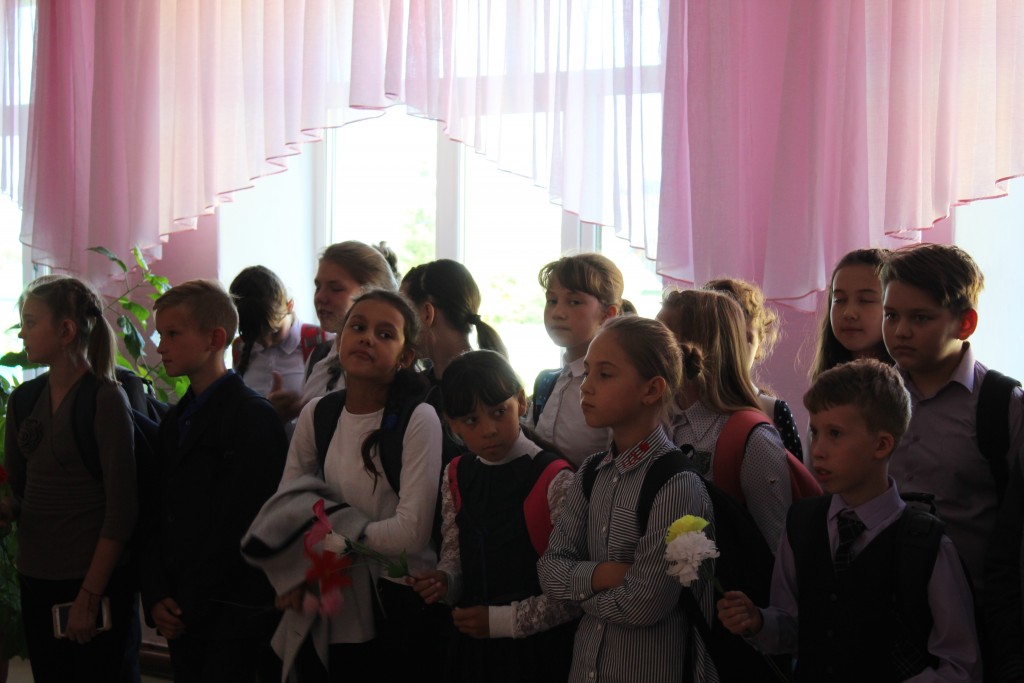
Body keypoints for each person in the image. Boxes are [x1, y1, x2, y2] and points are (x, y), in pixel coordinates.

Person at [717, 359, 982, 682]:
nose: (819, 449)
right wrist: (758, 621)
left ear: (881, 445)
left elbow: (960, 665)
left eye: (836, 434)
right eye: (815, 432)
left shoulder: (926, 545)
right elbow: (793, 627)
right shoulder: (802, 523)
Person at [538, 316, 716, 683]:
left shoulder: (677, 484)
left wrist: (579, 595)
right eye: (587, 372)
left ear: (651, 390)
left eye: (604, 374)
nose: (586, 386)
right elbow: (549, 571)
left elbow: (646, 603)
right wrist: (605, 574)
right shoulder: (591, 472)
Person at [276, 290, 444, 681]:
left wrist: (332, 539)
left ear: (405, 357)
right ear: (340, 340)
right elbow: (287, 506)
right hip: (331, 589)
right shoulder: (318, 413)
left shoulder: (419, 419)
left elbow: (411, 534)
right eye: (358, 327)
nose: (367, 338)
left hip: (397, 597)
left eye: (385, 334)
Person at [141, 280, 287, 682]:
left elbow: (244, 522)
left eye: (173, 334)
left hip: (232, 614)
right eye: (160, 335)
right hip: (178, 607)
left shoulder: (252, 417)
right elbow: (156, 510)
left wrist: (190, 602)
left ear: (215, 339)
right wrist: (157, 594)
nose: (161, 347)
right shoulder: (175, 419)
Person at [407, 350, 578, 682]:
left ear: (521, 401)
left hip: (538, 653)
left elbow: (574, 593)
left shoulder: (555, 479)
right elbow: (455, 556)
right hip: (474, 648)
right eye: (471, 420)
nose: (488, 430)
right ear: (453, 424)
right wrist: (445, 581)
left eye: (499, 412)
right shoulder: (456, 473)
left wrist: (500, 621)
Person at [1, 276, 137, 683]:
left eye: (30, 323)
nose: (21, 333)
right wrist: (7, 508)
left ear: (66, 331)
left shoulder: (105, 398)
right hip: (36, 578)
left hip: (91, 582)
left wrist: (89, 597)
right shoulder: (25, 400)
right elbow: (22, 490)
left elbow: (121, 510)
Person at [658, 288, 792, 549]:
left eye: (661, 336)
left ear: (698, 346)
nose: (648, 346)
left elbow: (775, 545)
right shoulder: (658, 421)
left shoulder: (752, 438)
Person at [268, 240, 399, 422]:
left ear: (370, 293)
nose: (320, 297)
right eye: (318, 287)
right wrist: (287, 415)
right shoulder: (319, 356)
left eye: (335, 288)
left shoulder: (388, 367)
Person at [401, 259, 508, 465]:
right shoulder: (420, 385)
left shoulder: (480, 387)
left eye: (404, 312)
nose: (399, 324)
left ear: (427, 313)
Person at [529, 253, 622, 466]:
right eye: (552, 301)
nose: (558, 313)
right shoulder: (547, 382)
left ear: (608, 315)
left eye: (574, 302)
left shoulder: (616, 390)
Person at [704, 277, 802, 455]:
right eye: (723, 337)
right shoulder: (681, 408)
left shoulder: (774, 411)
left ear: (759, 346)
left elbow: (794, 470)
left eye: (746, 338)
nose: (734, 348)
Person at [229, 264, 328, 400]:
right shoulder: (239, 348)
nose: (267, 344)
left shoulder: (320, 342)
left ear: (289, 305)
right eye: (255, 336)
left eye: (275, 332)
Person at [808, 248, 892, 382]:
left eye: (865, 300)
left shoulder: (909, 385)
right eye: (839, 300)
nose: (849, 313)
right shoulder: (828, 383)